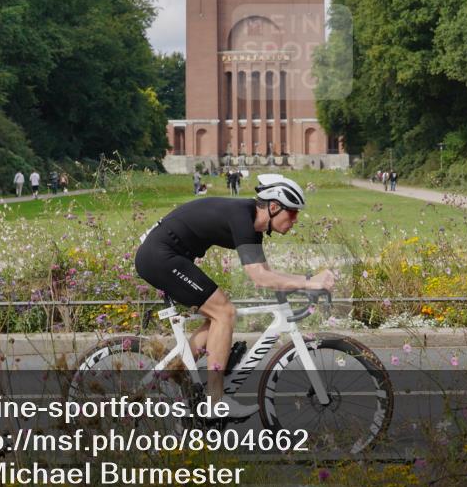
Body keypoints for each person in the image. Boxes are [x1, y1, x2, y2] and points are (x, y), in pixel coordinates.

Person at [135, 174, 335, 419]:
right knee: (224, 312)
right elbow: (260, 278)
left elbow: (267, 274)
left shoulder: (253, 225)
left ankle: (174, 373)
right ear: (273, 207)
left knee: (218, 318)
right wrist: (309, 283)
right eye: (293, 213)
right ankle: (215, 402)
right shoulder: (243, 217)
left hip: (166, 254)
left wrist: (305, 283)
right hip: (160, 255)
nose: (295, 220)